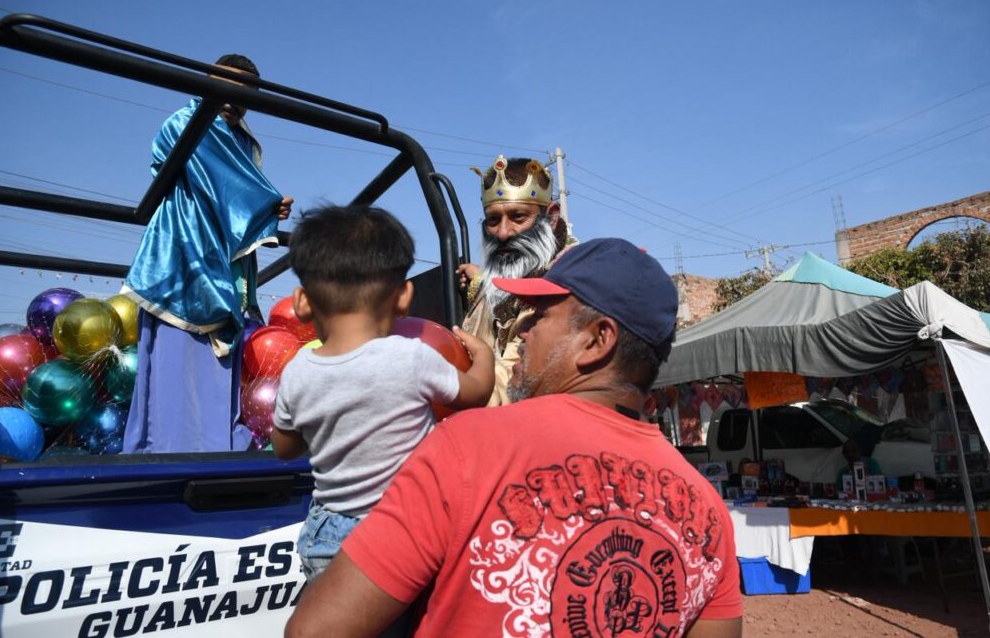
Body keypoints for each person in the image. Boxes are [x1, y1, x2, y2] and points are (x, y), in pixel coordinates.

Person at [288, 238, 743, 638]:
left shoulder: (468, 447)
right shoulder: (708, 512)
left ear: (596, 341)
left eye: (541, 315)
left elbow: (317, 630)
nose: (522, 328)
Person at [270, 204, 495, 581]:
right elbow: (476, 394)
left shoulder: (297, 371)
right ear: (404, 297)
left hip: (326, 536)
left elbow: (284, 448)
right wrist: (483, 356)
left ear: (302, 302)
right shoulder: (412, 358)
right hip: (401, 529)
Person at [122, 54, 293, 453]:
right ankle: (167, 450)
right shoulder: (185, 123)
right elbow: (223, 183)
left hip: (224, 260)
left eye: (246, 92)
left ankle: (217, 447)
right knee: (172, 361)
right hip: (183, 255)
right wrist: (265, 204)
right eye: (226, 85)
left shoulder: (242, 141)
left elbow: (237, 194)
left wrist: (270, 209)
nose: (234, 97)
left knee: (219, 367)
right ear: (207, 81)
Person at [457, 154, 576, 406]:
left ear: (552, 217)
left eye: (518, 217)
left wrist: (442, 387)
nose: (503, 233)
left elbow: (513, 381)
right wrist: (480, 281)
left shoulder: (566, 282)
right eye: (493, 220)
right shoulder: (494, 282)